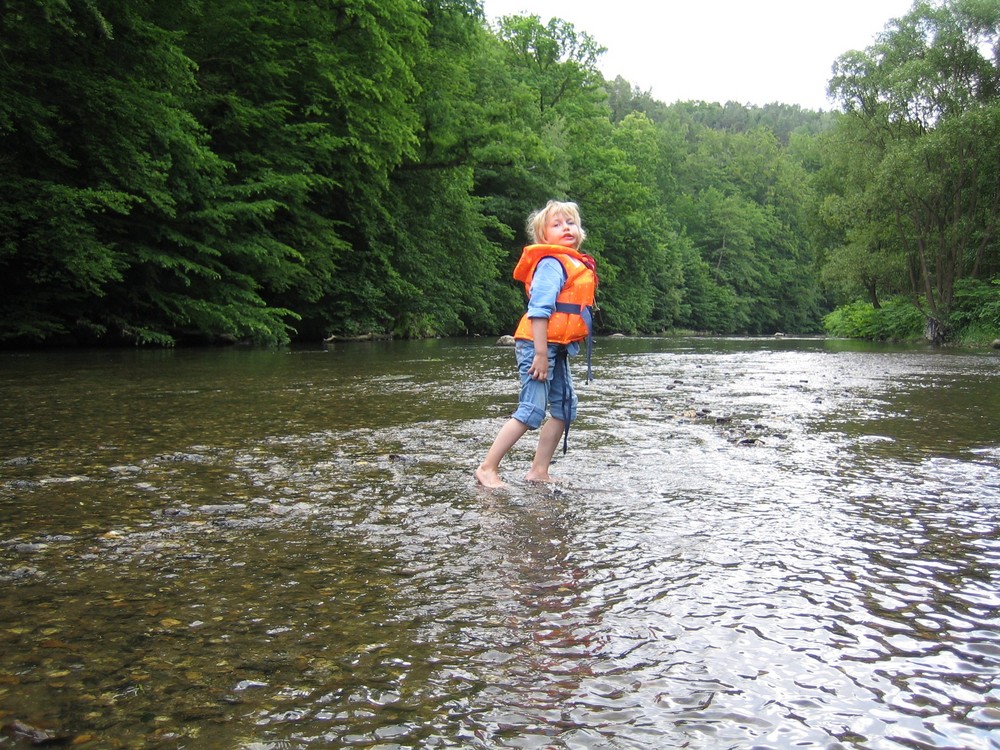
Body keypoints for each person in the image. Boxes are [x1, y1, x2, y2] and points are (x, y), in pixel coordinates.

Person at [475, 200, 598, 489]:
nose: (566, 228)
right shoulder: (551, 264)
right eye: (557, 224)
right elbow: (539, 310)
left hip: (556, 346)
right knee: (531, 410)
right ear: (544, 237)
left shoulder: (573, 263)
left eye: (570, 223)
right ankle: (487, 467)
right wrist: (541, 354)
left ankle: (538, 471)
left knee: (565, 409)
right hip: (536, 345)